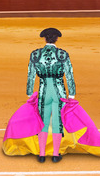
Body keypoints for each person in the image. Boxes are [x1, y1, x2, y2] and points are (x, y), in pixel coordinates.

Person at [26, 28, 76, 163]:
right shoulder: (62, 54)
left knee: (43, 121)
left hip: (43, 90)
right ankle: (55, 154)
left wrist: (30, 93)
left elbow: (31, 75)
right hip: (59, 91)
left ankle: (41, 155)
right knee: (57, 121)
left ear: (44, 39)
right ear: (56, 39)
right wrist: (71, 94)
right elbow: (69, 74)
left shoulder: (35, 54)